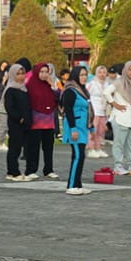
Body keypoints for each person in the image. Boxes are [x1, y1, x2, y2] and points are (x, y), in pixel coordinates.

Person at [107, 61, 131, 177]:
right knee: (119, 143)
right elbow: (106, 92)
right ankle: (117, 166)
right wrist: (114, 104)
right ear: (125, 70)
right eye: (130, 69)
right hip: (120, 118)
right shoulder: (119, 82)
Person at [59, 63, 92, 195]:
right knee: (78, 156)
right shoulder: (70, 90)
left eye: (85, 75)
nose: (84, 77)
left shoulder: (83, 90)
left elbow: (88, 110)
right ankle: (71, 185)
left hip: (83, 127)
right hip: (75, 126)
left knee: (81, 156)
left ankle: (78, 184)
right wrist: (73, 128)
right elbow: (68, 110)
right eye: (81, 75)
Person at [24, 63, 59, 180]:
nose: (44, 74)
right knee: (33, 147)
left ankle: (48, 169)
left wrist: (53, 86)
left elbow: (58, 98)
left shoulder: (49, 85)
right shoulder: (30, 85)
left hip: (48, 120)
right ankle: (31, 170)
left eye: (46, 72)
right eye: (42, 72)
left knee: (48, 147)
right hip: (35, 120)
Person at [1, 64, 31, 180]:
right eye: (18, 74)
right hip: (15, 123)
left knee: (20, 147)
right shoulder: (10, 90)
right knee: (14, 147)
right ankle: (13, 171)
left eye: (23, 73)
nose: (21, 76)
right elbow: (9, 107)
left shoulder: (24, 89)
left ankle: (12, 171)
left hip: (25, 123)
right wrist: (19, 118)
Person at [87, 64, 109, 159]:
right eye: (100, 72)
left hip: (103, 109)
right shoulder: (92, 84)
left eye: (104, 72)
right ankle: (91, 148)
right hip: (94, 109)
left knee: (101, 130)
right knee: (93, 129)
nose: (102, 74)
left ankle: (98, 147)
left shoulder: (107, 84)